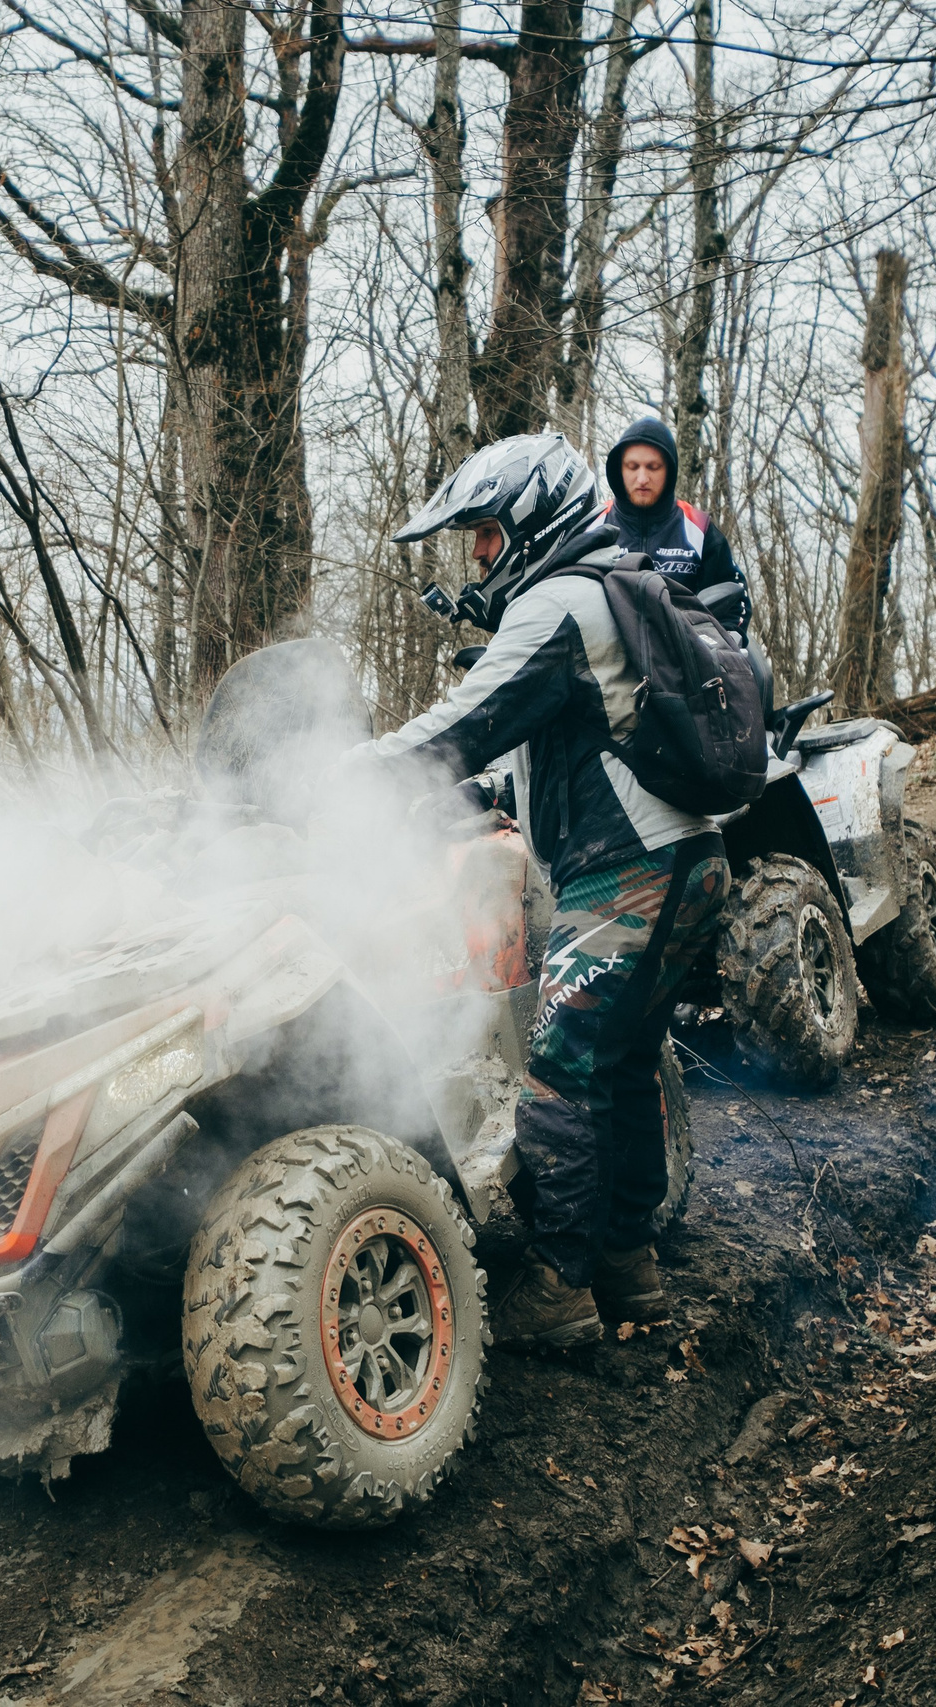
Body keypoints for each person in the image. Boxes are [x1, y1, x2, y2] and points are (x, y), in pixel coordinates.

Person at [357, 432, 733, 1349]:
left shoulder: (558, 602)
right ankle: (627, 1269)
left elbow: (464, 722)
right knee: (623, 1067)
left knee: (559, 1080)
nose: (477, 556)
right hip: (687, 863)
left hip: (628, 879)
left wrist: (331, 775)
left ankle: (559, 1291)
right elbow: (555, 753)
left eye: (484, 534)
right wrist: (475, 795)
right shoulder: (603, 590)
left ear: (529, 520)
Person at [605, 416, 746, 630]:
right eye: (633, 467)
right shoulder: (594, 526)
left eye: (653, 467)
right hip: (605, 655)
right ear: (619, 469)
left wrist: (727, 642)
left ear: (669, 470)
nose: (642, 478)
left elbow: (734, 601)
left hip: (684, 655)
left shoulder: (700, 528)